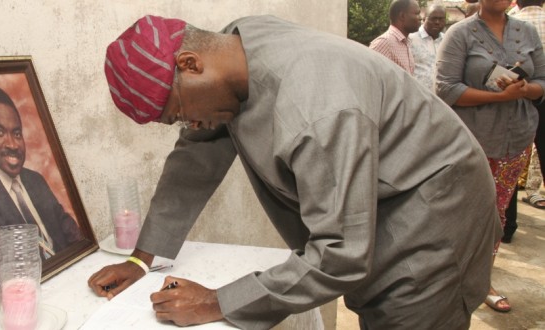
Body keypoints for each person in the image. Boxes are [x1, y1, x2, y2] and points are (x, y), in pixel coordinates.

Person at [89, 15, 501, 329]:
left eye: (181, 113)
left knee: (402, 316)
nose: (191, 125)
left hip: (437, 214)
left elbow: (341, 253)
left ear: (190, 63)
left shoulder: (318, 108)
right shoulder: (235, 44)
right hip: (391, 195)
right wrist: (142, 261)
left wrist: (217, 302)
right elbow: (193, 162)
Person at [436, 0, 545, 314]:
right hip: (473, 143)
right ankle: (446, 281)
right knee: (462, 214)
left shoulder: (526, 31)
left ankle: (482, 282)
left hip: (517, 140)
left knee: (496, 216)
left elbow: (543, 83)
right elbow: (445, 89)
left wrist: (525, 90)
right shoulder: (460, 34)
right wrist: (499, 95)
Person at [0, 85, 82, 289]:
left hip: (71, 278)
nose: (13, 144)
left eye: (16, 133)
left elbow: (70, 232)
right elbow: (0, 277)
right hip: (30, 296)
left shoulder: (35, 181)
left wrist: (87, 264)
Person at [512, 0, 545, 214]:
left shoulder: (511, 24)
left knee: (510, 159)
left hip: (515, 98)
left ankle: (508, 222)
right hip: (539, 93)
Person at [369, 0, 422, 74]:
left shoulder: (405, 42)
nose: (420, 18)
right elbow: (368, 76)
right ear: (402, 16)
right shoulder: (383, 43)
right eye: (417, 13)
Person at [409, 4, 446, 89]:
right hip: (417, 96)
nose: (437, 22)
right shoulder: (410, 39)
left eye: (441, 19)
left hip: (441, 98)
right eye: (433, 18)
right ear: (424, 19)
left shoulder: (447, 41)